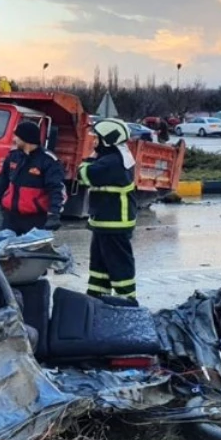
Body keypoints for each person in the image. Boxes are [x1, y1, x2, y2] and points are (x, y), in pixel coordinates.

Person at [77, 118, 138, 304]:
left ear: (108, 139)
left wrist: (85, 163)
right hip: (107, 221)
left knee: (118, 265)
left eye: (97, 138)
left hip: (113, 222)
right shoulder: (118, 156)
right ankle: (97, 299)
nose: (94, 141)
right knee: (100, 266)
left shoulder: (112, 162)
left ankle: (127, 303)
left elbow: (84, 175)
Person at [0, 120, 65, 235]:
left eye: (17, 136)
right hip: (10, 218)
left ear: (25, 138)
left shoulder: (48, 161)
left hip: (36, 220)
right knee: (6, 251)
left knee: (31, 252)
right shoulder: (13, 157)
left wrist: (53, 214)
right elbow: (3, 182)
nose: (14, 139)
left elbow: (55, 189)